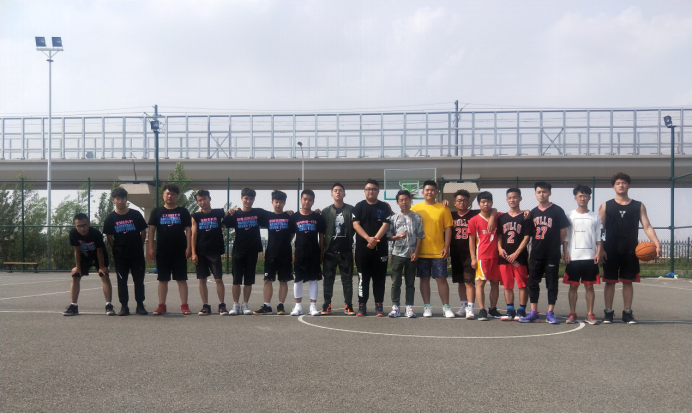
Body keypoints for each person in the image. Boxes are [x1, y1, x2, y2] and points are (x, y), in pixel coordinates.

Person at [599, 172, 661, 324]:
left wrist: (657, 243)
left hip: (631, 249)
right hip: (610, 249)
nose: (621, 185)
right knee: (610, 281)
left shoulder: (638, 205)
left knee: (628, 281)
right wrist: (600, 248)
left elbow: (647, 226)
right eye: (618, 183)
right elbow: (600, 229)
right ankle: (608, 312)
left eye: (624, 183)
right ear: (613, 187)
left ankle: (627, 313)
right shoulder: (605, 206)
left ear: (629, 185)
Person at [519, 181, 570, 324]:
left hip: (552, 254)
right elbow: (528, 233)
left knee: (552, 283)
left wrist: (556, 246)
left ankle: (550, 312)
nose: (542, 194)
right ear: (535, 194)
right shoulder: (532, 212)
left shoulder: (557, 210)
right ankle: (533, 311)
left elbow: (563, 231)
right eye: (539, 192)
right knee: (532, 283)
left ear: (549, 193)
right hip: (536, 253)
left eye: (544, 192)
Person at [449, 189, 497, 319]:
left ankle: (470, 307)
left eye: (465, 200)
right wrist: (443, 204)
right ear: (455, 203)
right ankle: (463, 306)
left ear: (469, 202)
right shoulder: (450, 215)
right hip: (456, 253)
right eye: (459, 200)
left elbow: (493, 209)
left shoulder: (474, 214)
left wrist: (492, 219)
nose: (462, 203)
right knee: (460, 282)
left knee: (469, 281)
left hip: (470, 253)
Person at [411, 180, 455, 318]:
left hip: (438, 251)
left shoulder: (443, 208)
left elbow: (448, 229)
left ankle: (446, 307)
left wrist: (446, 247)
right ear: (422, 192)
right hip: (421, 251)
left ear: (436, 192)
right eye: (427, 190)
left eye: (432, 190)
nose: (429, 192)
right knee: (424, 279)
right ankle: (427, 307)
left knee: (441, 279)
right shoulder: (416, 208)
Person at [147, 184, 192, 315]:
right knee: (163, 279)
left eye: (172, 194)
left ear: (177, 196)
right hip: (162, 250)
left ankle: (184, 305)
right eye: (167, 193)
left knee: (181, 279)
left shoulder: (183, 211)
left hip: (179, 250)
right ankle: (161, 305)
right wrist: (150, 248)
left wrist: (189, 247)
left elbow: (188, 230)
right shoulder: (157, 212)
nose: (170, 196)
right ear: (163, 195)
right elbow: (151, 230)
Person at [103, 187, 148, 316]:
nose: (120, 201)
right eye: (118, 199)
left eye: (123, 198)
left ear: (126, 199)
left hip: (136, 255)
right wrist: (116, 248)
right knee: (122, 281)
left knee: (139, 281)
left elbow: (143, 231)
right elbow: (109, 237)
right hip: (120, 256)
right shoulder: (110, 218)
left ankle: (140, 305)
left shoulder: (135, 214)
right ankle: (124, 306)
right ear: (113, 200)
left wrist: (139, 245)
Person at [563, 184, 603, 325]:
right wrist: (565, 252)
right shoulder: (569, 215)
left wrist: (598, 252)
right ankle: (572, 313)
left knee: (589, 286)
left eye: (585, 196)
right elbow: (566, 236)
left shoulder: (595, 216)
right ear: (575, 198)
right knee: (573, 286)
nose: (583, 198)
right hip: (574, 257)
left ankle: (590, 314)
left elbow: (599, 236)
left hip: (590, 257)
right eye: (580, 196)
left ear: (589, 198)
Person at [222, 187, 264, 315]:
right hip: (238, 251)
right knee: (236, 279)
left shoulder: (258, 213)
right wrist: (228, 212)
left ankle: (245, 304)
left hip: (252, 251)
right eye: (246, 198)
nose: (248, 201)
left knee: (248, 280)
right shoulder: (235, 214)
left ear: (254, 200)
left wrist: (288, 212)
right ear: (241, 198)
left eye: (251, 199)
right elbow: (222, 223)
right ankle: (235, 304)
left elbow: (275, 215)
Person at [352, 179, 391, 316]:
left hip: (380, 248)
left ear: (378, 191)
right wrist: (368, 239)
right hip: (362, 247)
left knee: (379, 278)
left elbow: (386, 224)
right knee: (363, 277)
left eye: (373, 189)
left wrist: (375, 240)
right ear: (364, 191)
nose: (371, 191)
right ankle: (362, 304)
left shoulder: (384, 207)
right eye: (368, 189)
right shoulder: (359, 206)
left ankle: (379, 304)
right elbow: (356, 224)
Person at [63, 213, 113, 316]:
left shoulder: (95, 233)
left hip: (99, 256)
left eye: (84, 225)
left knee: (104, 276)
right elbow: (77, 250)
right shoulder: (73, 233)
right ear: (75, 226)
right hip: (84, 256)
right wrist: (78, 267)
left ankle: (108, 305)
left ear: (89, 224)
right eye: (79, 226)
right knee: (75, 276)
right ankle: (73, 306)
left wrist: (102, 267)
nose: (82, 228)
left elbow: (99, 251)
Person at [253, 190, 294, 316]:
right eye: (276, 202)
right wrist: (236, 210)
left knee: (283, 281)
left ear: (284, 203)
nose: (278, 204)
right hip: (270, 253)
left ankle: (281, 305)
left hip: (285, 254)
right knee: (267, 280)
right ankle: (267, 306)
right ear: (272, 202)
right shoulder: (267, 216)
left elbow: (292, 233)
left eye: (281, 202)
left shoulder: (289, 217)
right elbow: (250, 212)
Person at [386, 189, 425, 318]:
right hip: (397, 254)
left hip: (411, 255)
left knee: (410, 283)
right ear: (397, 202)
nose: (404, 202)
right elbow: (388, 236)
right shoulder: (393, 218)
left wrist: (416, 252)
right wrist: (398, 236)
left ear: (410, 200)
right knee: (395, 282)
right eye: (401, 200)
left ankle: (409, 307)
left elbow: (420, 236)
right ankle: (395, 307)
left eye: (406, 199)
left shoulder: (417, 217)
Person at [320, 183, 356, 315]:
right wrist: (321, 251)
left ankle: (348, 305)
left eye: (340, 190)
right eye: (335, 190)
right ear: (331, 194)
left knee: (347, 280)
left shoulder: (351, 209)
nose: (338, 192)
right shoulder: (325, 211)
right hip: (330, 251)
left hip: (346, 250)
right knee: (328, 280)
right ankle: (327, 304)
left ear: (344, 194)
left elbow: (358, 224)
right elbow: (322, 233)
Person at [289, 189, 326, 316]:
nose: (307, 202)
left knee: (313, 279)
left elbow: (321, 236)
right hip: (299, 253)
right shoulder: (294, 217)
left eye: (310, 200)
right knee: (298, 280)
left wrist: (321, 252)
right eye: (305, 199)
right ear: (301, 200)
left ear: (313, 201)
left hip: (313, 253)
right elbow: (291, 235)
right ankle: (298, 306)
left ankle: (313, 306)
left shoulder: (317, 217)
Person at [191, 189, 227, 316]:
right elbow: (194, 235)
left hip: (215, 251)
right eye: (199, 200)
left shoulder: (219, 212)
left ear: (209, 199)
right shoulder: (196, 216)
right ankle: (205, 305)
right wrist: (193, 252)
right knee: (202, 280)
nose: (202, 202)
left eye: (204, 199)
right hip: (200, 252)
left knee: (218, 279)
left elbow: (230, 219)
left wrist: (234, 211)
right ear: (197, 202)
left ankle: (222, 305)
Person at [497, 188, 531, 321]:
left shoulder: (525, 217)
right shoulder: (502, 218)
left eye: (515, 197)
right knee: (507, 285)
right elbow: (499, 236)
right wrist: (499, 248)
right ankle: (510, 310)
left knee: (522, 285)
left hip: (519, 258)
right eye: (510, 198)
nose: (512, 200)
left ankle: (521, 310)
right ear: (506, 200)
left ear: (520, 198)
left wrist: (516, 253)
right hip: (504, 257)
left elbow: (527, 237)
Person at [467, 192, 501, 321]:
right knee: (481, 282)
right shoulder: (474, 220)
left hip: (496, 256)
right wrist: (473, 258)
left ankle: (493, 309)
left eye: (488, 201)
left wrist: (492, 218)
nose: (486, 204)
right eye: (483, 202)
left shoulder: (497, 217)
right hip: (482, 256)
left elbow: (500, 212)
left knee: (495, 283)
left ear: (491, 203)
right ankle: (482, 309)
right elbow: (471, 241)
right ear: (478, 204)